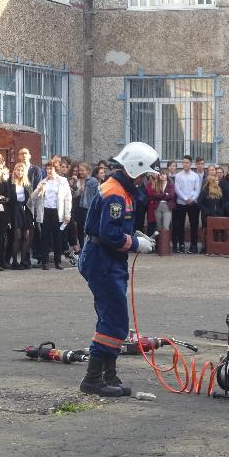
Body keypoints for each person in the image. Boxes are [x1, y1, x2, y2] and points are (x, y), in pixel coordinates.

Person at [78, 142, 159, 397]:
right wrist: (136, 244)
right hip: (102, 260)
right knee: (114, 320)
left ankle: (108, 375)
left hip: (106, 259)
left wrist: (134, 234)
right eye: (145, 174)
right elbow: (109, 233)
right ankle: (93, 379)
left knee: (112, 318)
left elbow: (115, 226)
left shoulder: (121, 189)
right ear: (135, 169)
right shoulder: (116, 192)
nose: (146, 179)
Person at [30, 160, 71, 270]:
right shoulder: (43, 182)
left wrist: (67, 213)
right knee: (45, 237)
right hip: (45, 211)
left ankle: (58, 262)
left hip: (57, 212)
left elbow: (68, 198)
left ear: (55, 169)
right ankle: (45, 261)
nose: (48, 171)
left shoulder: (62, 181)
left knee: (57, 237)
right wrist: (39, 189)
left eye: (51, 169)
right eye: (47, 169)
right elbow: (33, 198)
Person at [6, 162, 33, 269]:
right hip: (15, 210)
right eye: (18, 170)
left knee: (26, 236)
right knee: (17, 236)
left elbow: (31, 199)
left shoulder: (27, 183)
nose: (20, 172)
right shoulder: (10, 182)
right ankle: (15, 262)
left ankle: (23, 261)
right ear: (14, 170)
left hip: (25, 211)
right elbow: (8, 200)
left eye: (22, 170)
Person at [173, 155, 201, 253]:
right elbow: (177, 189)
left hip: (193, 203)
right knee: (180, 224)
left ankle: (194, 245)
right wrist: (185, 199)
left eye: (187, 162)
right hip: (181, 203)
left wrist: (192, 199)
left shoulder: (195, 176)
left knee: (194, 224)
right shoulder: (178, 175)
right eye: (183, 162)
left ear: (190, 164)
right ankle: (181, 244)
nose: (185, 164)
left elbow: (197, 190)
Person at [199, 170, 226, 249]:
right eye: (215, 180)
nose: (217, 182)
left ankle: (216, 248)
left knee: (216, 231)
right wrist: (206, 211)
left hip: (217, 215)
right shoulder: (205, 191)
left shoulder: (219, 191)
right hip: (207, 216)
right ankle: (205, 248)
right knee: (207, 232)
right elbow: (200, 203)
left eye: (217, 180)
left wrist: (220, 211)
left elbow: (222, 203)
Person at [145, 169, 175, 237]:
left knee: (166, 226)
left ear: (166, 175)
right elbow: (155, 195)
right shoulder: (157, 183)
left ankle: (165, 246)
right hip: (157, 206)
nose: (162, 176)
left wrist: (161, 195)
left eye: (164, 174)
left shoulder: (171, 184)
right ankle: (159, 245)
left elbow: (171, 195)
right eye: (161, 175)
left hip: (167, 206)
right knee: (159, 227)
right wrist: (165, 194)